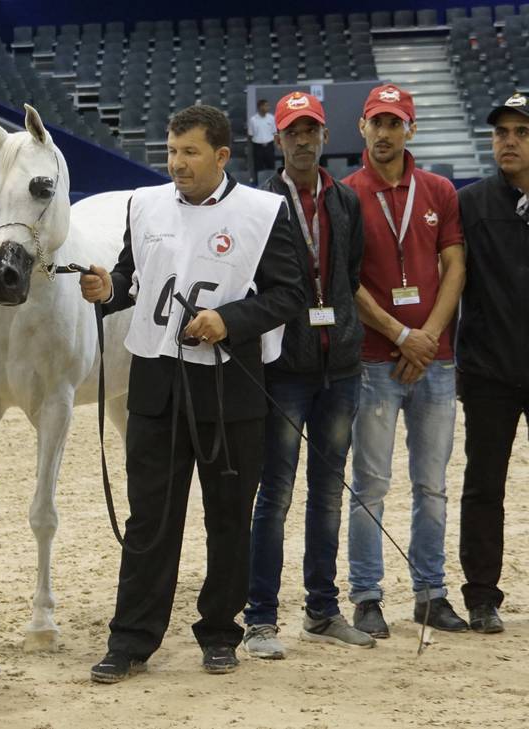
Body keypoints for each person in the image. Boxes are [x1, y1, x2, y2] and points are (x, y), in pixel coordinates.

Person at [80, 105, 305, 679]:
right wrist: (109, 288)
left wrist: (229, 319)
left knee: (229, 518)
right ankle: (130, 639)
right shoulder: (145, 205)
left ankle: (220, 632)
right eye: (172, 151)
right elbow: (131, 279)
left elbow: (287, 294)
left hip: (231, 388)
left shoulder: (263, 212)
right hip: (155, 384)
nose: (176, 163)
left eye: (190, 153)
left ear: (222, 156)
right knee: (149, 519)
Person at [244, 91, 373, 659]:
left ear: (324, 137)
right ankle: (260, 618)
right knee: (274, 493)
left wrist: (338, 330)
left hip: (340, 367)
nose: (303, 140)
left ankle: (322, 610)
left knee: (327, 494)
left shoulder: (344, 202)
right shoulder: (259, 203)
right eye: (293, 132)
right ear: (278, 140)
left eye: (311, 131)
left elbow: (348, 275)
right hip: (284, 369)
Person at [343, 84, 468, 638]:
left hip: (436, 361)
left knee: (432, 485)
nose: (386, 133)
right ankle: (367, 596)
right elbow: (344, 281)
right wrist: (400, 333)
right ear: (362, 129)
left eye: (395, 123)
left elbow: (455, 267)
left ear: (410, 129)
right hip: (373, 360)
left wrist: (428, 336)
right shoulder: (345, 194)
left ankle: (430, 593)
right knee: (369, 483)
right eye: (377, 122)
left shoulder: (440, 190)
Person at [454, 91, 529, 634]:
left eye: (522, 132)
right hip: (489, 372)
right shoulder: (472, 203)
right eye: (502, 132)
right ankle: (482, 595)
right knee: (484, 486)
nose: (508, 141)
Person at [248, 99, 277, 177]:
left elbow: (274, 132)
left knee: (271, 166)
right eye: (266, 106)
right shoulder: (253, 120)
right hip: (258, 147)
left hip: (269, 146)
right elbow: (250, 135)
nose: (268, 107)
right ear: (260, 107)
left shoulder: (271, 118)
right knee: (258, 167)